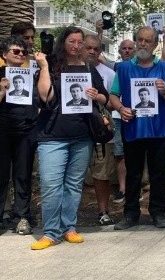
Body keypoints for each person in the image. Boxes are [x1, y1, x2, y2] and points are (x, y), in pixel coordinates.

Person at [31, 27, 110, 250]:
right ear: (63, 43)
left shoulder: (87, 67)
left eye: (79, 42)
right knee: (51, 184)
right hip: (52, 135)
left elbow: (105, 98)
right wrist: (44, 67)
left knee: (74, 185)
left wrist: (97, 95)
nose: (76, 46)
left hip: (82, 135)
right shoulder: (52, 64)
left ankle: (69, 228)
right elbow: (45, 97)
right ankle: (50, 232)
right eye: (71, 41)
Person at [111, 26, 165, 230]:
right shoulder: (123, 68)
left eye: (148, 41)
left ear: (156, 45)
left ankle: (158, 213)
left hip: (157, 129)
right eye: (139, 39)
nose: (142, 44)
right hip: (133, 128)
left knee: (158, 174)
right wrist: (121, 108)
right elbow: (113, 95)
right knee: (133, 173)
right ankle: (131, 214)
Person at [0, 37, 38, 240]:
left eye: (23, 52)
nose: (20, 55)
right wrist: (2, 93)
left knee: (23, 177)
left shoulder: (32, 78)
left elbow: (43, 103)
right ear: (4, 55)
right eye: (15, 51)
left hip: (25, 134)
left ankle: (22, 216)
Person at [83, 34, 117, 226]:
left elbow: (111, 102)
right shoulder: (67, 68)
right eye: (88, 47)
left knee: (102, 174)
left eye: (96, 49)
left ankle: (103, 211)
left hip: (99, 130)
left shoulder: (108, 73)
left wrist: (99, 97)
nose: (92, 52)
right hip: (75, 129)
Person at [110, 38, 135, 204]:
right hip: (119, 118)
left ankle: (135, 188)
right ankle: (123, 189)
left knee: (135, 154)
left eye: (129, 48)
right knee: (119, 154)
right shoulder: (116, 67)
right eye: (123, 48)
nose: (127, 51)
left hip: (137, 117)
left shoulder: (140, 66)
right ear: (119, 51)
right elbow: (97, 56)